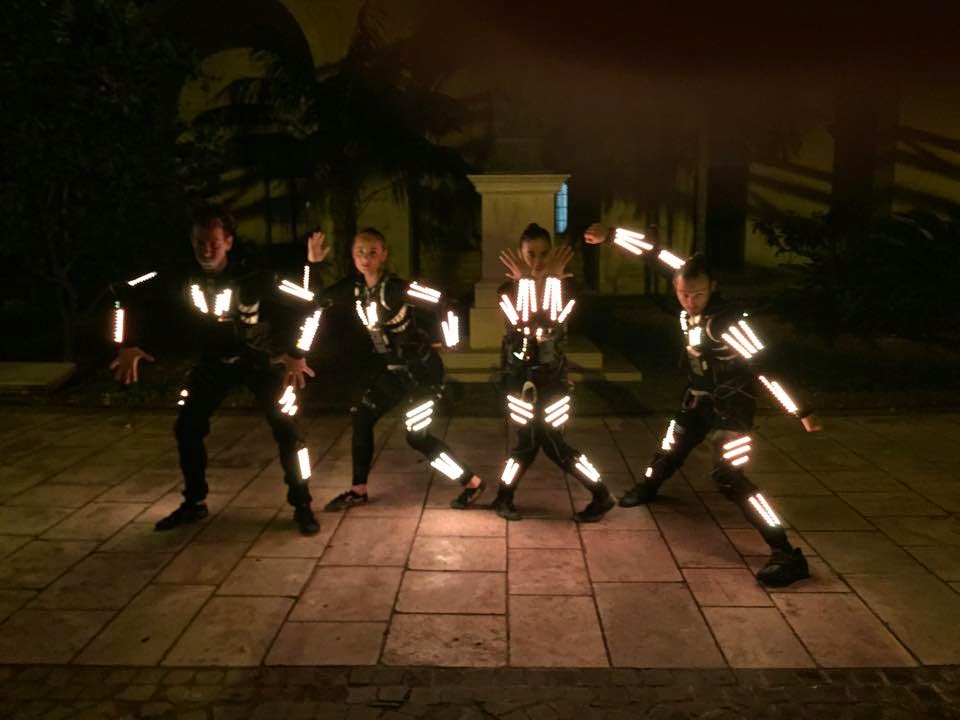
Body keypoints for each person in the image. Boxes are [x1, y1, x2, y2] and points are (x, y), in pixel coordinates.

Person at [585, 224, 822, 586]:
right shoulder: (684, 281)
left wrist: (800, 410)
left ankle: (785, 552)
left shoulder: (728, 322)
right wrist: (612, 235)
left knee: (728, 476)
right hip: (697, 398)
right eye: (683, 294)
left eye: (697, 294)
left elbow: (765, 365)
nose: (690, 301)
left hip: (733, 407)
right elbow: (655, 254)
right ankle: (648, 486)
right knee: (672, 445)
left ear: (713, 286)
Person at [110, 205, 321, 535]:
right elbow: (123, 291)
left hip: (260, 361)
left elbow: (312, 304)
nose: (206, 251)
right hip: (212, 362)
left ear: (229, 242)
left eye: (214, 243)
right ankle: (194, 502)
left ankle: (303, 504)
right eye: (200, 243)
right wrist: (127, 343)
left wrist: (297, 353)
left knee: (289, 432)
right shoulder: (182, 274)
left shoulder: (255, 277)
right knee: (187, 428)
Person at [308, 228, 485, 512]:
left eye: (372, 252)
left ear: (384, 254)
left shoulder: (397, 288)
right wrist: (313, 265)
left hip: (424, 374)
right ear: (353, 256)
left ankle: (472, 482)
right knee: (362, 417)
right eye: (360, 252)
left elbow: (443, 301)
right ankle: (358, 490)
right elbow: (316, 298)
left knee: (417, 436)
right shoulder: (356, 289)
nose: (366, 258)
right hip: (395, 372)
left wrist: (449, 336)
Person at [480, 222, 615, 523]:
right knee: (528, 441)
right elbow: (522, 327)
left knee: (552, 443)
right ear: (521, 254)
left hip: (554, 380)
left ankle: (599, 493)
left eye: (543, 254)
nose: (537, 261)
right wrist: (527, 283)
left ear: (552, 253)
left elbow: (550, 326)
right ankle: (505, 496)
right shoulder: (507, 291)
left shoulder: (566, 290)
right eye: (531, 254)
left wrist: (547, 282)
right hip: (520, 380)